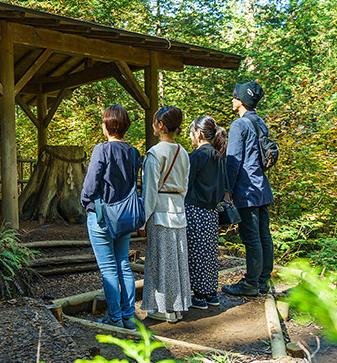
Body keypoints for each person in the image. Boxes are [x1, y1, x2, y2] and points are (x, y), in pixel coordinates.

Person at [80, 105, 140, 330]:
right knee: (123, 263)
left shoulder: (101, 151)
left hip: (102, 215)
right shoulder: (134, 153)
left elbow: (90, 185)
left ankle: (115, 317)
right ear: (125, 126)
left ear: (107, 126)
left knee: (108, 268)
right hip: (124, 216)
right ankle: (129, 316)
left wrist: (87, 204)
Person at [222, 81, 274, 296]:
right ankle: (263, 280)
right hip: (261, 187)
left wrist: (227, 188)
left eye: (235, 96)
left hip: (247, 189)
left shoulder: (239, 125)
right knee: (264, 235)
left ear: (242, 100)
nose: (232, 99)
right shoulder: (260, 122)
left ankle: (251, 283)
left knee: (251, 237)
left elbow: (233, 161)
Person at [140, 106, 191, 322]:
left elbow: (149, 190)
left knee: (160, 261)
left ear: (160, 125)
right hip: (178, 211)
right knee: (177, 261)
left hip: (160, 212)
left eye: (155, 121)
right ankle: (177, 307)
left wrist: (143, 220)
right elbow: (186, 185)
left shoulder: (155, 153)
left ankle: (163, 309)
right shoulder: (184, 152)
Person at [185, 116, 228, 309]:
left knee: (195, 253)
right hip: (212, 212)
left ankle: (199, 296)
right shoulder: (218, 155)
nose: (190, 136)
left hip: (195, 209)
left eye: (192, 132)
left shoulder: (196, 156)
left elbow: (186, 183)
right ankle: (212, 294)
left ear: (199, 134)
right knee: (209, 253)